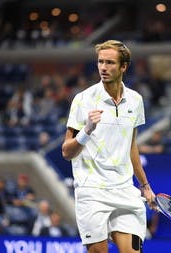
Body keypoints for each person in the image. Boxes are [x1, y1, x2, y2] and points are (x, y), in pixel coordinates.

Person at [62, 40, 156, 253]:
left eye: (110, 63)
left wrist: (145, 186)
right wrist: (86, 131)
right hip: (92, 191)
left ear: (124, 67)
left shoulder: (135, 100)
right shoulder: (83, 99)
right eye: (100, 62)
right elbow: (66, 152)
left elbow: (131, 146)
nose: (103, 67)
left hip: (124, 190)